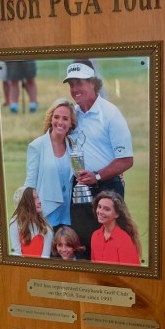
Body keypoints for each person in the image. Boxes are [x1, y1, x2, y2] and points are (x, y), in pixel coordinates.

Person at [63, 58, 134, 252]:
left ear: (93, 83)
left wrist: (98, 176)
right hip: (79, 187)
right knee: (82, 245)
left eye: (79, 83)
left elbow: (126, 160)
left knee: (109, 245)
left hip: (107, 188)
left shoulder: (110, 114)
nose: (74, 89)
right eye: (71, 84)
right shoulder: (72, 115)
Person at [24, 98, 76, 227]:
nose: (60, 122)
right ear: (51, 119)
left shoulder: (73, 145)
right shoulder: (37, 146)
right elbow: (30, 184)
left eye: (65, 118)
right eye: (56, 117)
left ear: (71, 123)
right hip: (46, 215)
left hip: (69, 215)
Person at [90, 190, 141, 266]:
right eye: (99, 207)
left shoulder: (124, 240)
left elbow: (130, 271)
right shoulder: (95, 235)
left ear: (117, 214)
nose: (100, 211)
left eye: (106, 209)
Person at [9, 187, 53, 257]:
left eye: (38, 198)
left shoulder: (46, 228)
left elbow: (45, 257)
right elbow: (16, 253)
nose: (39, 201)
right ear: (25, 203)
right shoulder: (15, 223)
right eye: (34, 198)